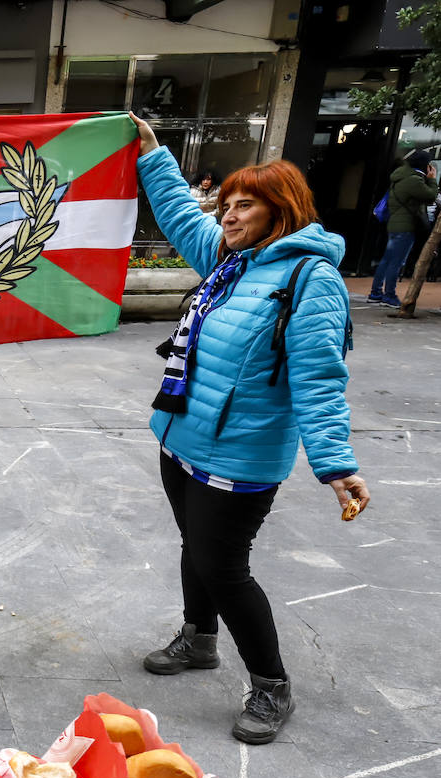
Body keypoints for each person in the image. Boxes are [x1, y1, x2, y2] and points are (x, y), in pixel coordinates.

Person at [131, 114, 370, 745]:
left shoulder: (307, 279)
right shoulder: (232, 260)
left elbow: (319, 377)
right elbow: (184, 216)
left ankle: (271, 686)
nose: (228, 215)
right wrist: (154, 154)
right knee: (194, 547)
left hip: (241, 454)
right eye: (227, 204)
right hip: (181, 435)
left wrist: (336, 464)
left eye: (245, 205)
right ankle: (199, 639)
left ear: (281, 211)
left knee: (223, 565)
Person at [369, 148, 438, 308]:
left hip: (395, 224)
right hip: (405, 227)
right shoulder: (413, 180)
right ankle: (389, 295)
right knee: (396, 262)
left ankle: (375, 293)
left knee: (387, 260)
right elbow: (430, 196)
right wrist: (432, 179)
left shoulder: (401, 177)